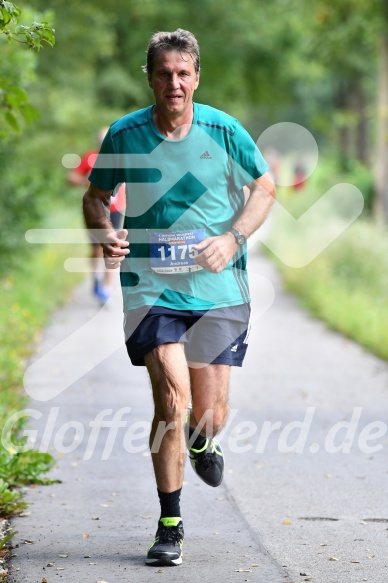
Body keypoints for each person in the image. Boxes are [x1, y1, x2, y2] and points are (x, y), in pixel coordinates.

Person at [83, 29, 275, 566]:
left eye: (183, 73)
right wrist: (105, 233)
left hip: (218, 287)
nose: (175, 83)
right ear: (150, 78)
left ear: (196, 77)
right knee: (171, 398)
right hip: (151, 285)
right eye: (164, 73)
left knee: (208, 413)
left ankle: (203, 439)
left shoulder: (223, 129)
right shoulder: (125, 135)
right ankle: (170, 525)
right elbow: (96, 198)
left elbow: (265, 188)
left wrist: (233, 237)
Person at [68, 128, 125, 303]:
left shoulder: (121, 158)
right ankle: (96, 277)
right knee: (95, 248)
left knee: (113, 247)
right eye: (102, 141)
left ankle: (107, 289)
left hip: (115, 209)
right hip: (94, 209)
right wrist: (87, 181)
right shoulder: (90, 158)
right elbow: (71, 178)